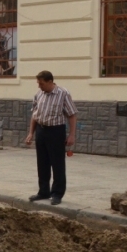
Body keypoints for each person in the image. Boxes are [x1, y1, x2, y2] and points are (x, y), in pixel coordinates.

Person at [25, 70, 77, 206]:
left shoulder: (63, 94)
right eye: (38, 83)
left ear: (50, 82)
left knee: (57, 163)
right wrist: (31, 133)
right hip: (41, 130)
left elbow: (72, 115)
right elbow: (34, 115)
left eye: (41, 83)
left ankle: (57, 193)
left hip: (56, 131)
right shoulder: (39, 94)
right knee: (42, 163)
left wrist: (71, 135)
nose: (39, 86)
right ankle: (43, 191)